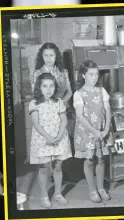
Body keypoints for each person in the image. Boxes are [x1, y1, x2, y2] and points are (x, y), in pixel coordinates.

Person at [29, 72, 72, 208]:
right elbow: (36, 123)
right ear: (39, 88)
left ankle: (58, 193)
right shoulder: (34, 103)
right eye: (45, 86)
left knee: (58, 166)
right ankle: (44, 195)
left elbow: (64, 120)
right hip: (43, 139)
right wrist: (48, 138)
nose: (48, 90)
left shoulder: (59, 102)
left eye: (51, 86)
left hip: (59, 138)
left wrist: (58, 137)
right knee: (44, 168)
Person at [73, 60, 112, 203]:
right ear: (83, 75)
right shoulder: (78, 94)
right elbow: (79, 116)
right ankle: (92, 190)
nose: (94, 77)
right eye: (91, 74)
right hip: (87, 131)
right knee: (89, 160)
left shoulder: (102, 91)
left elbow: (108, 110)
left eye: (96, 74)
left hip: (102, 130)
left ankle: (101, 188)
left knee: (101, 159)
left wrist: (106, 128)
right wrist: (94, 131)